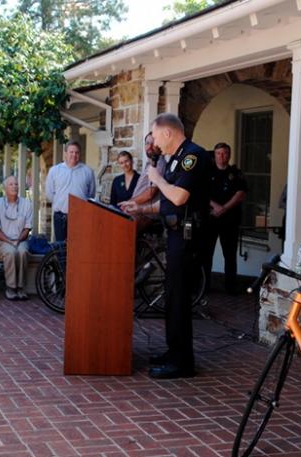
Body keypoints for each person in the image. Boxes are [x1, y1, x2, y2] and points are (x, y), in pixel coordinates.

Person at [123, 113, 210, 379]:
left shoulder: (192, 156)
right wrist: (140, 207)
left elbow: (180, 197)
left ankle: (182, 363)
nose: (155, 142)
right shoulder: (174, 162)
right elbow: (167, 203)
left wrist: (157, 179)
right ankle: (174, 352)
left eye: (157, 135)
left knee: (179, 299)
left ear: (169, 133)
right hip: (175, 235)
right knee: (172, 297)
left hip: (188, 238)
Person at [204, 142, 247, 294]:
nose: (222, 156)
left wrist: (224, 208)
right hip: (210, 219)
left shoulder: (236, 173)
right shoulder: (207, 172)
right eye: (218, 153)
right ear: (214, 155)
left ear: (229, 155)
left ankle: (230, 288)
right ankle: (205, 286)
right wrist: (216, 206)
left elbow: (240, 194)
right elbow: (201, 192)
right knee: (206, 254)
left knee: (229, 255)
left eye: (225, 153)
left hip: (230, 220)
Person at [0, 175, 33, 300]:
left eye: (16, 184)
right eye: (11, 184)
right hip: (2, 241)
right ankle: (11, 287)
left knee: (23, 251)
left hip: (21, 239)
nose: (14, 186)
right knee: (10, 252)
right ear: (4, 188)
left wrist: (18, 240)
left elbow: (27, 228)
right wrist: (9, 241)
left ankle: (21, 287)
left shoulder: (26, 204)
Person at [45, 141, 96, 242]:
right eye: (71, 152)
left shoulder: (88, 171)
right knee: (61, 248)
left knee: (79, 246)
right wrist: (61, 203)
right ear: (65, 153)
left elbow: (91, 194)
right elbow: (49, 193)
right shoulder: (55, 171)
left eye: (77, 152)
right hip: (60, 216)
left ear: (80, 154)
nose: (74, 155)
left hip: (81, 216)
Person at [118, 132, 166, 230]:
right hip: (138, 211)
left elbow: (150, 193)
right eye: (147, 143)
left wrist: (129, 202)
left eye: (153, 143)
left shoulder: (159, 163)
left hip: (146, 214)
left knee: (120, 232)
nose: (150, 146)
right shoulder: (150, 163)